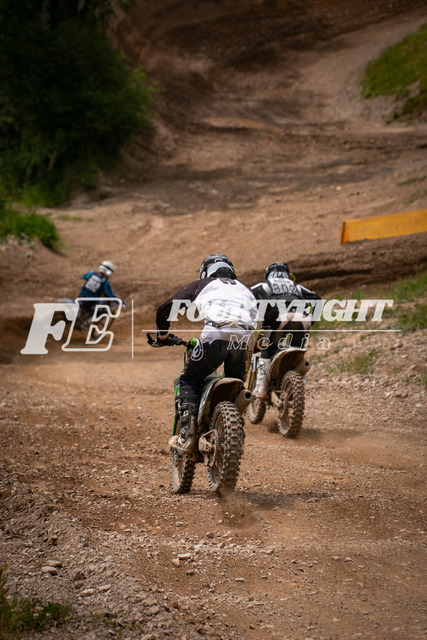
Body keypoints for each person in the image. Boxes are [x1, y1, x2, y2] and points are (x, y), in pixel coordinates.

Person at [152, 254, 258, 454]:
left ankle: (187, 436)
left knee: (188, 379)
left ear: (206, 272)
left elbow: (165, 309)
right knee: (237, 386)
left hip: (216, 334)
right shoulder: (247, 289)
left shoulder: (204, 284)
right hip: (245, 338)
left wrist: (162, 336)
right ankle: (237, 435)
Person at [251, 262, 321, 398]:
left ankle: (261, 388)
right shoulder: (295, 286)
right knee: (298, 355)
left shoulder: (266, 284)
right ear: (287, 274)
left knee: (266, 347)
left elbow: (247, 293)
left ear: (269, 274)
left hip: (281, 317)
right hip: (302, 319)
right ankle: (298, 389)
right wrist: (312, 320)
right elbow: (317, 298)